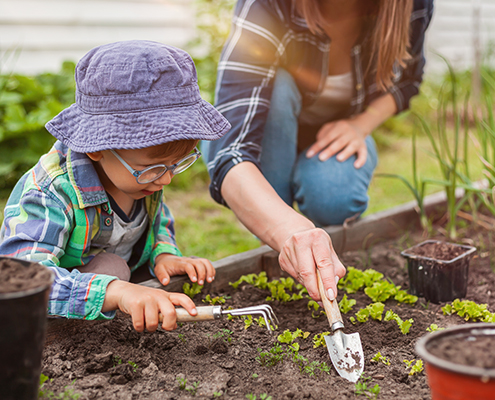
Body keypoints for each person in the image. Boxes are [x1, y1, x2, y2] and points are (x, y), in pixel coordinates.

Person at [203, 0, 434, 303]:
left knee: (333, 199)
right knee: (278, 88)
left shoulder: (411, 5)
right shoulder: (267, 5)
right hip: (265, 128)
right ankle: (278, 227)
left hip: (334, 132)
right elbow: (230, 149)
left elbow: (408, 82)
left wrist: (361, 125)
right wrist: (289, 229)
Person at [0, 41, 231, 332]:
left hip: (119, 282)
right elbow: (23, 277)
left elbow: (157, 220)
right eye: (153, 168)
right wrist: (116, 292)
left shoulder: (141, 177)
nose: (167, 179)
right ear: (97, 148)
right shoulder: (49, 193)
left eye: (177, 164)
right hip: (55, 309)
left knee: (118, 269)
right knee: (113, 269)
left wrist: (164, 254)